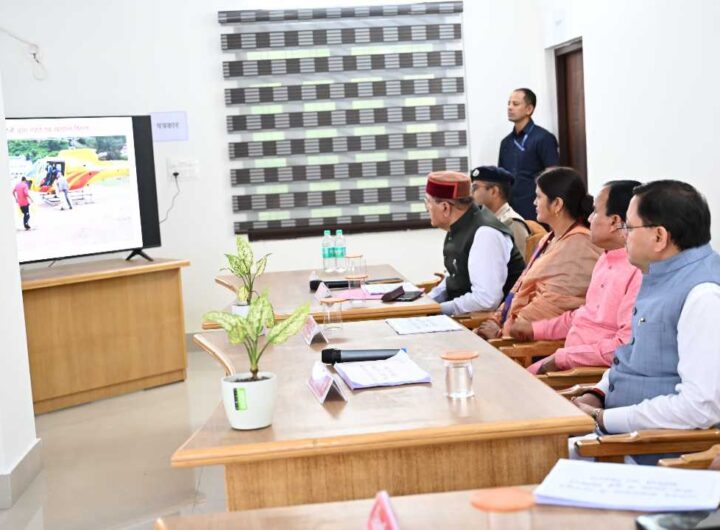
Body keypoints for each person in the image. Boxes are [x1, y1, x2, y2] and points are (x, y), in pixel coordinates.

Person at [571, 180, 720, 465]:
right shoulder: (661, 275)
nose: (623, 235)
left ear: (659, 237)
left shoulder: (704, 296)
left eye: (628, 227)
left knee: (534, 465)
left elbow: (700, 407)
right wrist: (598, 393)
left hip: (645, 453)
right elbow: (633, 355)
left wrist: (605, 418)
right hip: (615, 434)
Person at [509, 180, 643, 374]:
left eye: (595, 211)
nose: (589, 218)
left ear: (615, 222)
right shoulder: (605, 258)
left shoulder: (638, 270)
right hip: (569, 360)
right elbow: (583, 315)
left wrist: (562, 359)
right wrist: (536, 329)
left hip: (585, 376)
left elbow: (624, 346)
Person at [476, 167, 601, 339]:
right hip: (515, 331)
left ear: (557, 204)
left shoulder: (580, 245)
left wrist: (502, 332)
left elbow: (551, 306)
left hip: (537, 342)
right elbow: (520, 286)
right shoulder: (549, 238)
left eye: (539, 197)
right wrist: (496, 319)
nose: (534, 202)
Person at [425, 171, 526, 316]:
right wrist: (425, 302)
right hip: (466, 316)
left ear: (445, 207)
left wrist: (437, 310)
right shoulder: (460, 224)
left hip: (493, 322)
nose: (427, 208)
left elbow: (486, 300)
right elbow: (454, 278)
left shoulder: (485, 234)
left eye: (428, 202)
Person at [498, 88, 559, 221]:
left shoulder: (544, 138)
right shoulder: (506, 143)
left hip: (535, 209)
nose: (510, 107)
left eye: (515, 104)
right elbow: (501, 179)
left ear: (529, 109)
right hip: (510, 211)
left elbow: (553, 177)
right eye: (509, 103)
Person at [470, 165, 530, 253]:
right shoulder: (478, 219)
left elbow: (523, 259)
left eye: (475, 188)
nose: (471, 192)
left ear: (494, 191)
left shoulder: (512, 223)